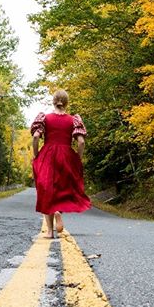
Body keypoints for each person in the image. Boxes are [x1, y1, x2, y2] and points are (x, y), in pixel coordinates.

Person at [30, 89, 91, 238]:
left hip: (47, 155)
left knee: (46, 191)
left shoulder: (45, 118)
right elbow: (81, 142)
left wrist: (37, 154)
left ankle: (50, 231)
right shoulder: (73, 120)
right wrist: (77, 158)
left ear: (54, 101)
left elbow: (36, 137)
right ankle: (58, 211)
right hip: (66, 155)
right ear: (66, 102)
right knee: (64, 189)